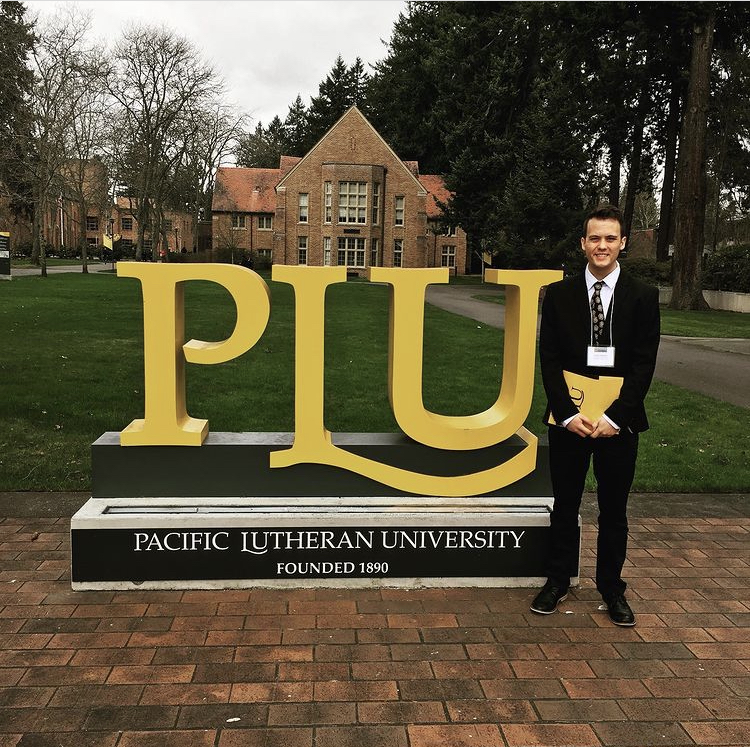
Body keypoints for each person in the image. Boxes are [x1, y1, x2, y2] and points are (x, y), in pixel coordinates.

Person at [531, 204, 660, 626]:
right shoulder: (560, 294)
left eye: (610, 238)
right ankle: (558, 580)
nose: (601, 245)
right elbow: (548, 359)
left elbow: (644, 364)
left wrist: (615, 417)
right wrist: (567, 415)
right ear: (583, 243)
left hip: (617, 424)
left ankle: (611, 588)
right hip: (571, 421)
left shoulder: (643, 296)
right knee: (564, 504)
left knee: (613, 510)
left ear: (622, 243)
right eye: (594, 238)